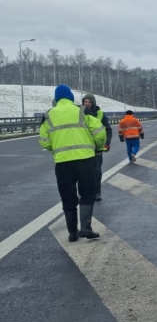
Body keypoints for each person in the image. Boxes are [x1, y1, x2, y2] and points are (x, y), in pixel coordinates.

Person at [40, 85, 106, 242]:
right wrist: (98, 148)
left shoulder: (48, 115)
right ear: (70, 97)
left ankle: (72, 233)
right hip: (85, 160)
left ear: (56, 99)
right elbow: (100, 132)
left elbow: (44, 141)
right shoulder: (82, 111)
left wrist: (56, 149)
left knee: (68, 197)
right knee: (88, 193)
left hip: (63, 163)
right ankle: (85, 227)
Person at [82, 93, 112, 201]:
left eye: (89, 102)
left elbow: (108, 129)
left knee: (97, 171)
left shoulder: (100, 114)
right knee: (83, 172)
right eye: (85, 102)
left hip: (97, 148)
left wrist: (107, 143)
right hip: (83, 148)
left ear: (93, 103)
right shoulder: (79, 113)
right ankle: (85, 193)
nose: (87, 104)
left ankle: (97, 191)